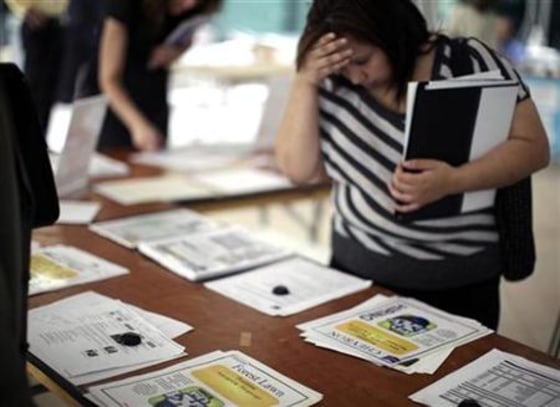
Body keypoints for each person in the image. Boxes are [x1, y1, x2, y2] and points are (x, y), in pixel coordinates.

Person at [275, 0, 550, 330]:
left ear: (395, 35)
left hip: (459, 287)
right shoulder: (330, 75)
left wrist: (453, 181)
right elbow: (298, 169)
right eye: (343, 66)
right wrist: (304, 80)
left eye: (363, 61)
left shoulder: (469, 62)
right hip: (353, 275)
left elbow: (534, 148)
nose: (355, 76)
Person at [79, 0, 222, 151]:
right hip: (112, 104)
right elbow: (109, 80)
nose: (190, 4)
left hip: (153, 96)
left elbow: (187, 38)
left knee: (154, 162)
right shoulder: (125, 5)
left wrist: (176, 52)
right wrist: (138, 125)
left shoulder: (196, 8)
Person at [4, 0, 68, 136]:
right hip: (36, 23)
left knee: (50, 91)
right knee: (34, 91)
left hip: (60, 22)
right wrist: (25, 9)